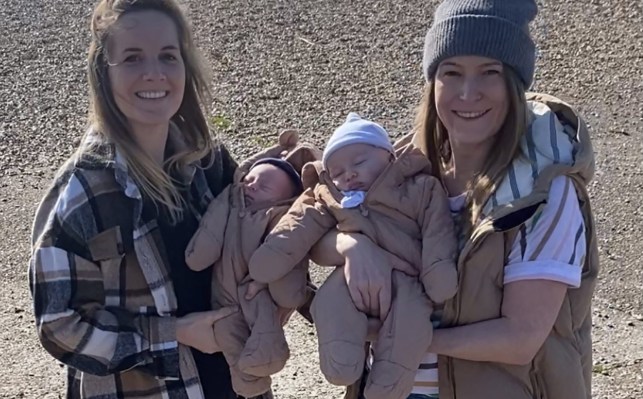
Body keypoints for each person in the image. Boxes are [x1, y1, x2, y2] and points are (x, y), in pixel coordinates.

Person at [312, 0, 599, 398]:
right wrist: (353, 246)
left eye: (489, 72)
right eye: (452, 72)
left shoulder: (545, 192)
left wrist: (406, 338)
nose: (468, 93)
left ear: (515, 84)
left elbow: (520, 338)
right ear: (433, 83)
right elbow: (321, 232)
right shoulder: (406, 169)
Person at [28, 1, 275, 398]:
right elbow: (59, 325)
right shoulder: (82, 194)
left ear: (185, 67)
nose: (154, 73)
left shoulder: (211, 167)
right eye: (131, 58)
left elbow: (271, 245)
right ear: (103, 74)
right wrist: (175, 334)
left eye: (167, 56)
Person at [246, 113, 458, 399]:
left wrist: (437, 270)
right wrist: (272, 256)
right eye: (337, 171)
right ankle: (341, 358)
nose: (349, 174)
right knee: (330, 303)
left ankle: (390, 379)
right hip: (348, 279)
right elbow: (300, 224)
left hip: (409, 280)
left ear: (389, 157)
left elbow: (437, 230)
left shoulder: (419, 188)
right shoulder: (331, 196)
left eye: (359, 163)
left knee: (410, 320)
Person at [184, 130, 320, 397]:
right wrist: (199, 254)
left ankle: (270, 356)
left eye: (265, 186)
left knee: (264, 322)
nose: (252, 185)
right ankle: (250, 381)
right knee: (228, 332)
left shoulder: (281, 216)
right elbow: (209, 233)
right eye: (250, 178)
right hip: (222, 298)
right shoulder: (231, 200)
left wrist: (287, 289)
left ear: (283, 199)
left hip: (258, 292)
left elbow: (291, 250)